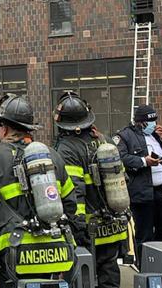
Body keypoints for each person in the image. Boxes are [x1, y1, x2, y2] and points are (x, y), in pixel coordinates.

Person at [0, 94, 79, 288]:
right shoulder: (52, 155)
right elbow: (70, 203)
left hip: (14, 253)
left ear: (5, 127)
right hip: (55, 252)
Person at [54, 92, 125, 288]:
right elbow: (123, 178)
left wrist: (77, 229)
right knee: (109, 275)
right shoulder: (105, 141)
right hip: (113, 227)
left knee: (84, 278)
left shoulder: (67, 148)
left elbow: (74, 193)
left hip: (88, 229)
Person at [114, 104, 162, 263]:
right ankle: (145, 265)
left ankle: (158, 255)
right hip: (141, 191)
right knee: (144, 233)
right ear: (139, 122)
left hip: (161, 191)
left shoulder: (156, 135)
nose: (152, 124)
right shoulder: (125, 136)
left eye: (154, 120)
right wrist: (144, 161)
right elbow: (120, 157)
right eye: (148, 122)